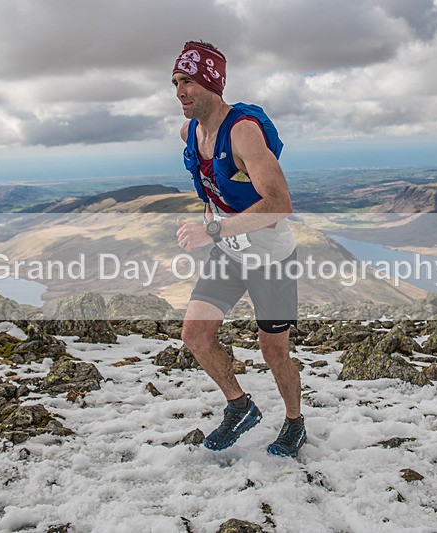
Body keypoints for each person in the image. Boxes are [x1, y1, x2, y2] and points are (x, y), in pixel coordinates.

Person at [172, 40, 306, 458]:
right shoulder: (189, 131)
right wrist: (213, 227)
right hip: (230, 254)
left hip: (272, 259)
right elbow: (213, 185)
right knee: (195, 334)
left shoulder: (243, 132)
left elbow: (281, 204)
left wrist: (212, 229)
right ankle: (240, 405)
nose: (179, 91)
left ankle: (294, 422)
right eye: (175, 82)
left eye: (188, 81)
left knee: (273, 351)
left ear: (212, 82)